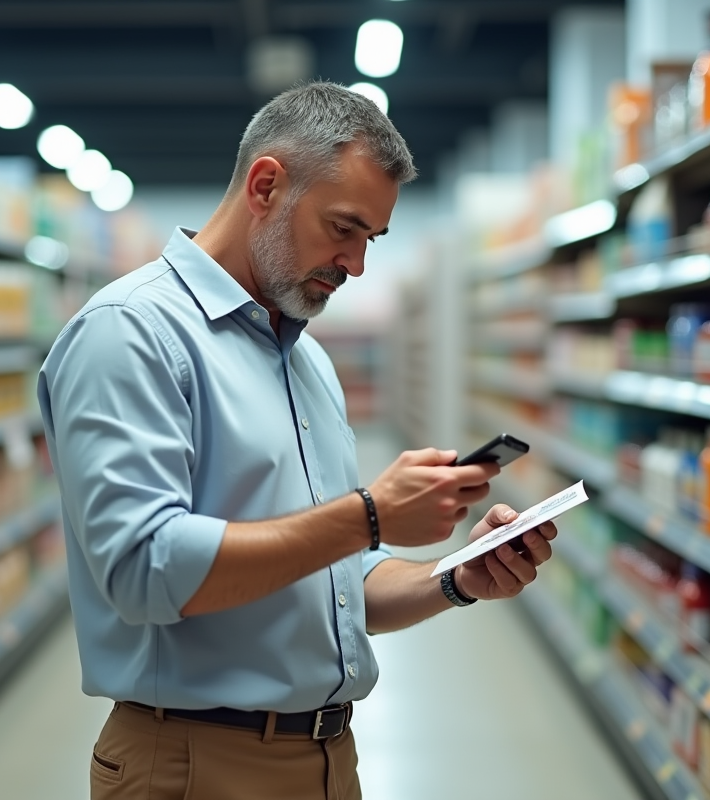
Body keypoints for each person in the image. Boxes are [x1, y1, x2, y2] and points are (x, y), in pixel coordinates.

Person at [37, 82, 557, 800]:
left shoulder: (304, 357)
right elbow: (142, 569)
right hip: (193, 766)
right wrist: (370, 513)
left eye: (371, 239)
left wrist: (455, 577)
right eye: (343, 228)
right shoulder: (130, 333)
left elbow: (334, 582)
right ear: (265, 185)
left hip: (326, 760)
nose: (357, 264)